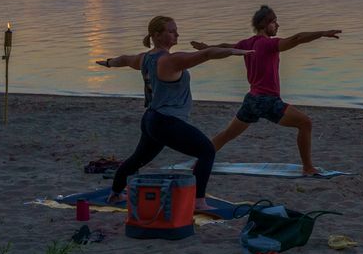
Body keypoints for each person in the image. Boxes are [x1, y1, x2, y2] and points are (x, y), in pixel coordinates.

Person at [97, 16, 250, 212]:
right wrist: (235, 51)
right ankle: (198, 201)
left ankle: (116, 193)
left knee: (138, 159)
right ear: (157, 35)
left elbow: (125, 60)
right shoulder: (170, 60)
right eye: (171, 31)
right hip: (166, 122)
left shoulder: (144, 58)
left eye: (176, 30)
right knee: (207, 151)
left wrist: (108, 63)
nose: (176, 34)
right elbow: (207, 54)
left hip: (151, 119)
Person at [192, 5, 340, 176]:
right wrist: (322, 33)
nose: (277, 25)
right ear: (264, 24)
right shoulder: (270, 45)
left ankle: (199, 162)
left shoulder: (247, 43)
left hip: (251, 100)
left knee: (227, 135)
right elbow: (298, 38)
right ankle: (308, 168)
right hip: (267, 100)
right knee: (305, 123)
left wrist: (207, 48)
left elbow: (226, 47)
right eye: (274, 22)